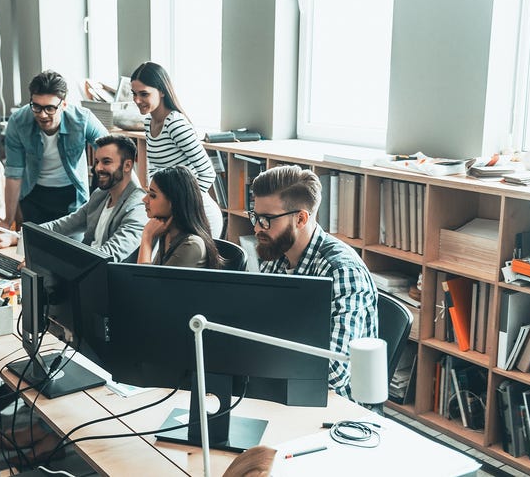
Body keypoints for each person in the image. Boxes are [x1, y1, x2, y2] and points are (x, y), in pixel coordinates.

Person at [249, 165, 378, 399]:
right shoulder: (276, 254)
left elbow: (334, 371)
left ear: (300, 218)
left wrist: (262, 354)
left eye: (266, 220)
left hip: (334, 403)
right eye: (255, 217)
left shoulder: (342, 272)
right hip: (281, 382)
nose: (258, 228)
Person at [2, 70, 108, 228]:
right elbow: (13, 174)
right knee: (34, 242)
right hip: (33, 195)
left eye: (50, 108)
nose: (43, 115)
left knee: (70, 243)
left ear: (63, 105)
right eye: (36, 107)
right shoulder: (18, 122)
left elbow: (112, 151)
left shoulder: (82, 120)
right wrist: (7, 221)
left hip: (71, 195)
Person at [130, 61, 224, 237]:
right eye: (134, 94)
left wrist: (180, 206)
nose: (137, 100)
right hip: (171, 212)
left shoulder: (175, 124)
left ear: (162, 91)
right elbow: (155, 171)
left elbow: (208, 173)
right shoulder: (149, 122)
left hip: (198, 214)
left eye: (144, 94)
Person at [35, 135, 147, 262]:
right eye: (97, 161)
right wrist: (23, 235)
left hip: (103, 272)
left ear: (127, 165)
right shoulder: (100, 195)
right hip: (85, 267)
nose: (98, 168)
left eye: (106, 162)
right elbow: (62, 226)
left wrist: (50, 260)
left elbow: (108, 255)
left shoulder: (138, 207)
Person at [137, 165, 221, 268]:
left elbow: (144, 278)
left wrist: (147, 238)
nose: (144, 199)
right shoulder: (166, 233)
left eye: (152, 195)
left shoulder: (192, 245)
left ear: (174, 202)